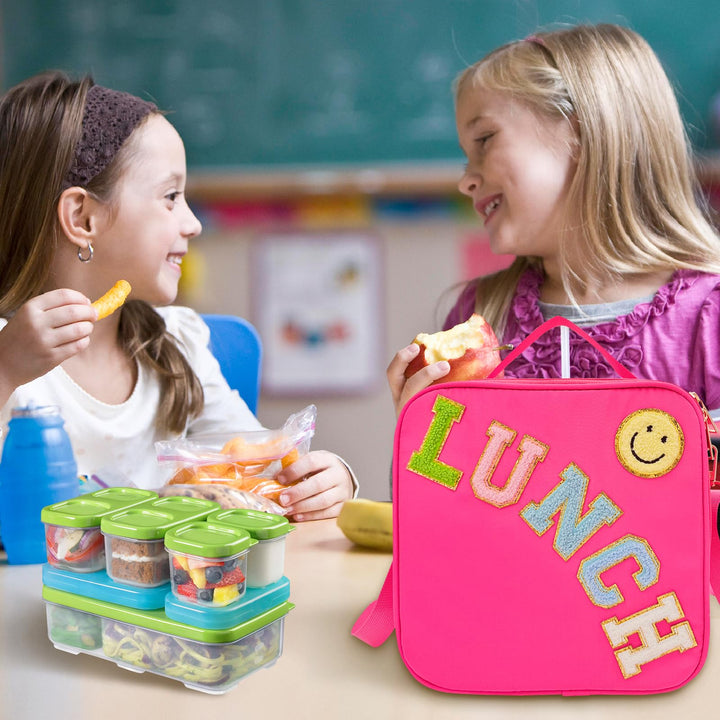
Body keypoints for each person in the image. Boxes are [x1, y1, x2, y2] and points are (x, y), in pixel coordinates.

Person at [0, 71, 356, 521]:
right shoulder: (8, 352)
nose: (193, 223)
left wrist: (324, 482)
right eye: (171, 197)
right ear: (83, 218)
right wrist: (5, 370)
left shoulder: (174, 344)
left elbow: (266, 470)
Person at [388, 23, 720, 418]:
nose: (466, 180)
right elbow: (440, 477)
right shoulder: (481, 315)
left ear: (581, 132)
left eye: (485, 141)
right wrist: (419, 429)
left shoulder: (707, 318)